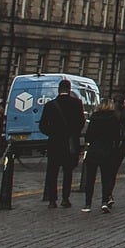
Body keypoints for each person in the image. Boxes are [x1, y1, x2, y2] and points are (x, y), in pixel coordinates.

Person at [37, 78, 86, 207]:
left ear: (58, 90)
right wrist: (73, 133)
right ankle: (65, 198)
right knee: (68, 172)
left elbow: (42, 125)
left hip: (54, 142)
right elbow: (81, 123)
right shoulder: (77, 103)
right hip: (70, 143)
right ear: (69, 90)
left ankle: (52, 200)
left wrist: (52, 133)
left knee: (52, 172)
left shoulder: (50, 105)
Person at [78, 99, 125, 213]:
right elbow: (117, 137)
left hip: (94, 150)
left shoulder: (94, 118)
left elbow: (88, 135)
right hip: (108, 151)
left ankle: (87, 204)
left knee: (90, 179)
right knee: (106, 178)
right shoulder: (114, 119)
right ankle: (104, 202)